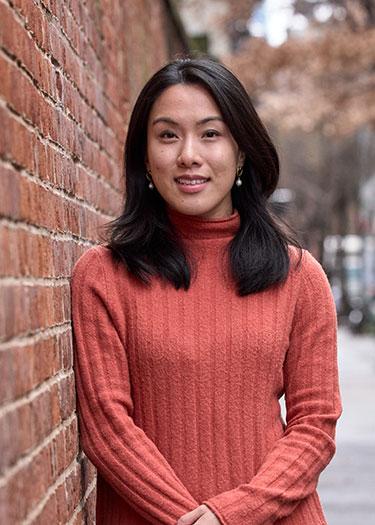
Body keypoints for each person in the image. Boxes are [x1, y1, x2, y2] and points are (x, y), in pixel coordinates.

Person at [71, 57, 342, 525]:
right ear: (144, 156)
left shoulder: (300, 276)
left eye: (211, 134)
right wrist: (196, 520)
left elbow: (314, 425)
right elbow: (107, 430)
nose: (188, 155)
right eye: (168, 135)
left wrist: (231, 514)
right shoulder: (104, 275)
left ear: (241, 152)